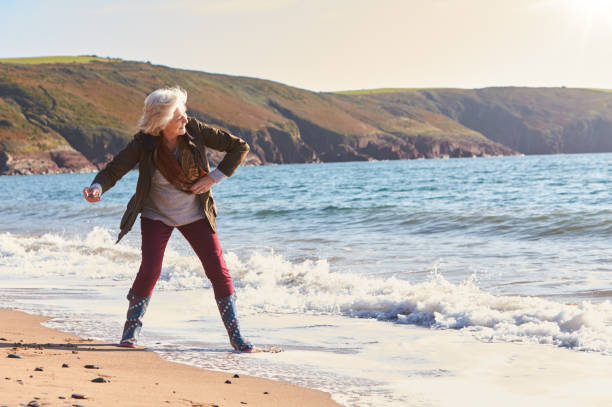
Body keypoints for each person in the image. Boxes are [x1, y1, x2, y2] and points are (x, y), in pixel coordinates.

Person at [82, 86, 255, 352]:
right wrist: (97, 187)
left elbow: (239, 147)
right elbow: (116, 168)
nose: (185, 118)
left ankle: (236, 336)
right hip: (156, 215)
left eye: (184, 113)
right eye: (178, 116)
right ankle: (130, 333)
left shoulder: (196, 130)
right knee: (151, 269)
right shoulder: (144, 142)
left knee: (218, 271)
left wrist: (213, 177)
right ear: (161, 123)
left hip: (195, 213)